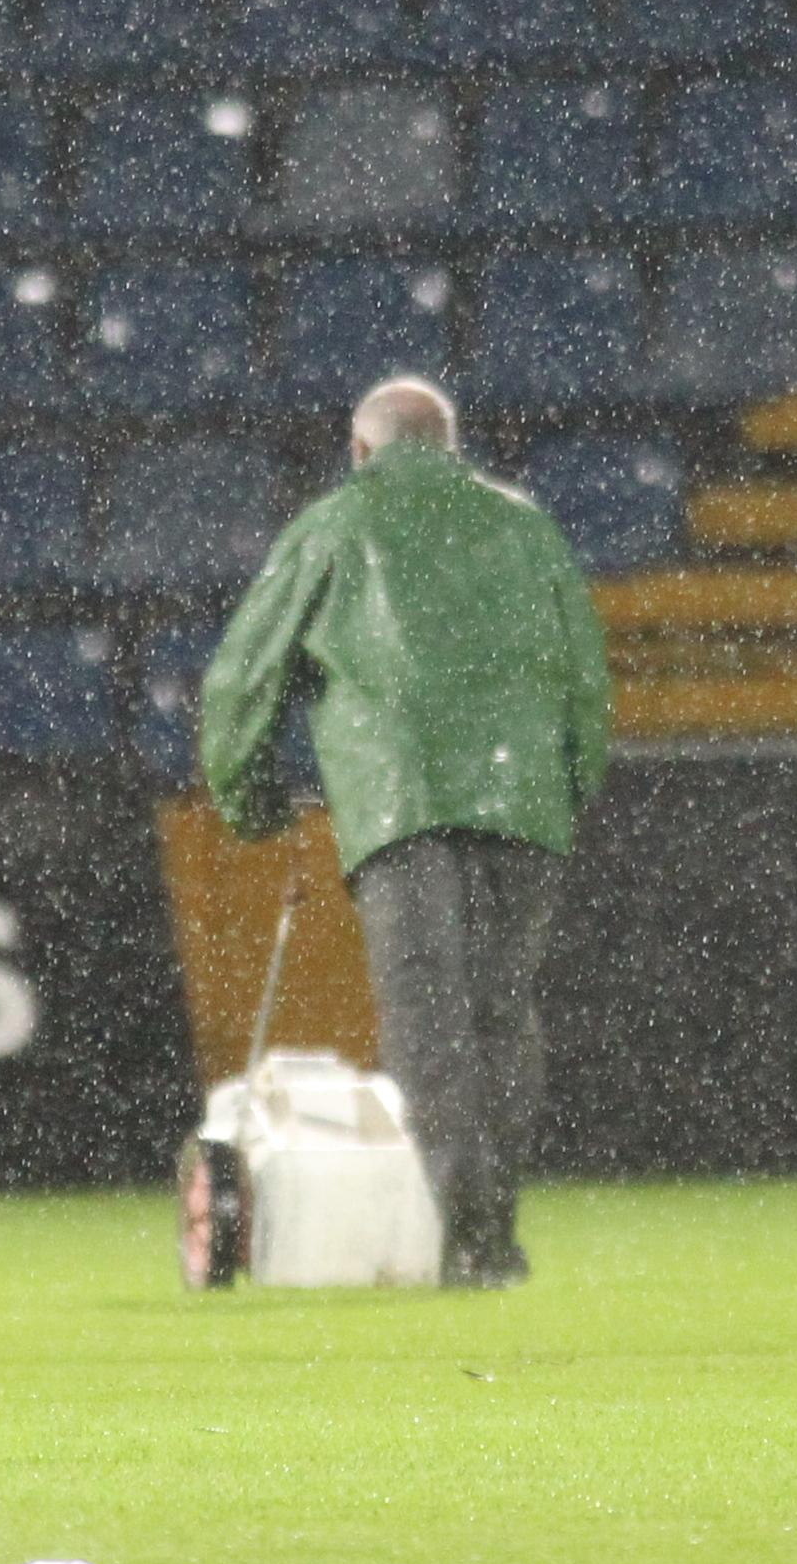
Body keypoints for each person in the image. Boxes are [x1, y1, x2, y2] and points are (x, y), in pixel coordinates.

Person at [194, 378, 614, 1288]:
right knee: (501, 1014)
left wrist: (251, 801)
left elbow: (241, 683)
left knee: (431, 1026)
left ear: (360, 451)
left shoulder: (335, 527)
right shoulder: (527, 528)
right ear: (452, 444)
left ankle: (467, 1238)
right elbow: (588, 681)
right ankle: (493, 1233)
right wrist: (561, 793)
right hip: (524, 799)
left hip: (400, 802)